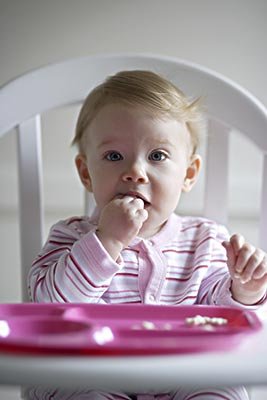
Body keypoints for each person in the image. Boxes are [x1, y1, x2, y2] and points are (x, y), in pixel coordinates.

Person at [27, 70, 267, 400]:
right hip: (91, 370)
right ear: (86, 173)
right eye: (114, 156)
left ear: (189, 173)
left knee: (220, 388)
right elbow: (46, 311)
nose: (135, 173)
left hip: (185, 370)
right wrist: (106, 241)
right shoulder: (70, 237)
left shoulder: (206, 240)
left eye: (157, 156)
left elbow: (225, 321)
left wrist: (245, 290)